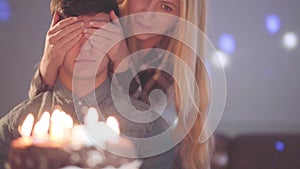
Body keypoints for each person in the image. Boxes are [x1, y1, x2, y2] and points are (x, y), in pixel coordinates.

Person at [28, 0, 214, 169]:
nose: (148, 12)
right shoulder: (102, 21)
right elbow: (42, 109)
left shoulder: (171, 66)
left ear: (180, 18)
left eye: (166, 7)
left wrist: (122, 62)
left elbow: (141, 130)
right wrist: (48, 64)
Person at [0, 0, 175, 168]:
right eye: (74, 33)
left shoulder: (152, 132)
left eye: (98, 33)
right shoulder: (12, 130)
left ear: (116, 41)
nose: (86, 45)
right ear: (55, 37)